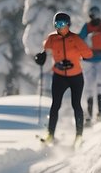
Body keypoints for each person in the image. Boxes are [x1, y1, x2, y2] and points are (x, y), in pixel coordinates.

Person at [33, 11, 93, 143]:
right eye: (56, 24)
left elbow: (89, 54)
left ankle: (79, 136)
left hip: (76, 76)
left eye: (62, 24)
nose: (59, 27)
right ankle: (50, 135)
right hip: (59, 76)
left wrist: (80, 55)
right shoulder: (52, 38)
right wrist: (40, 58)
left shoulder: (75, 39)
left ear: (68, 24)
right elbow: (44, 51)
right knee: (55, 105)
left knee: (76, 104)